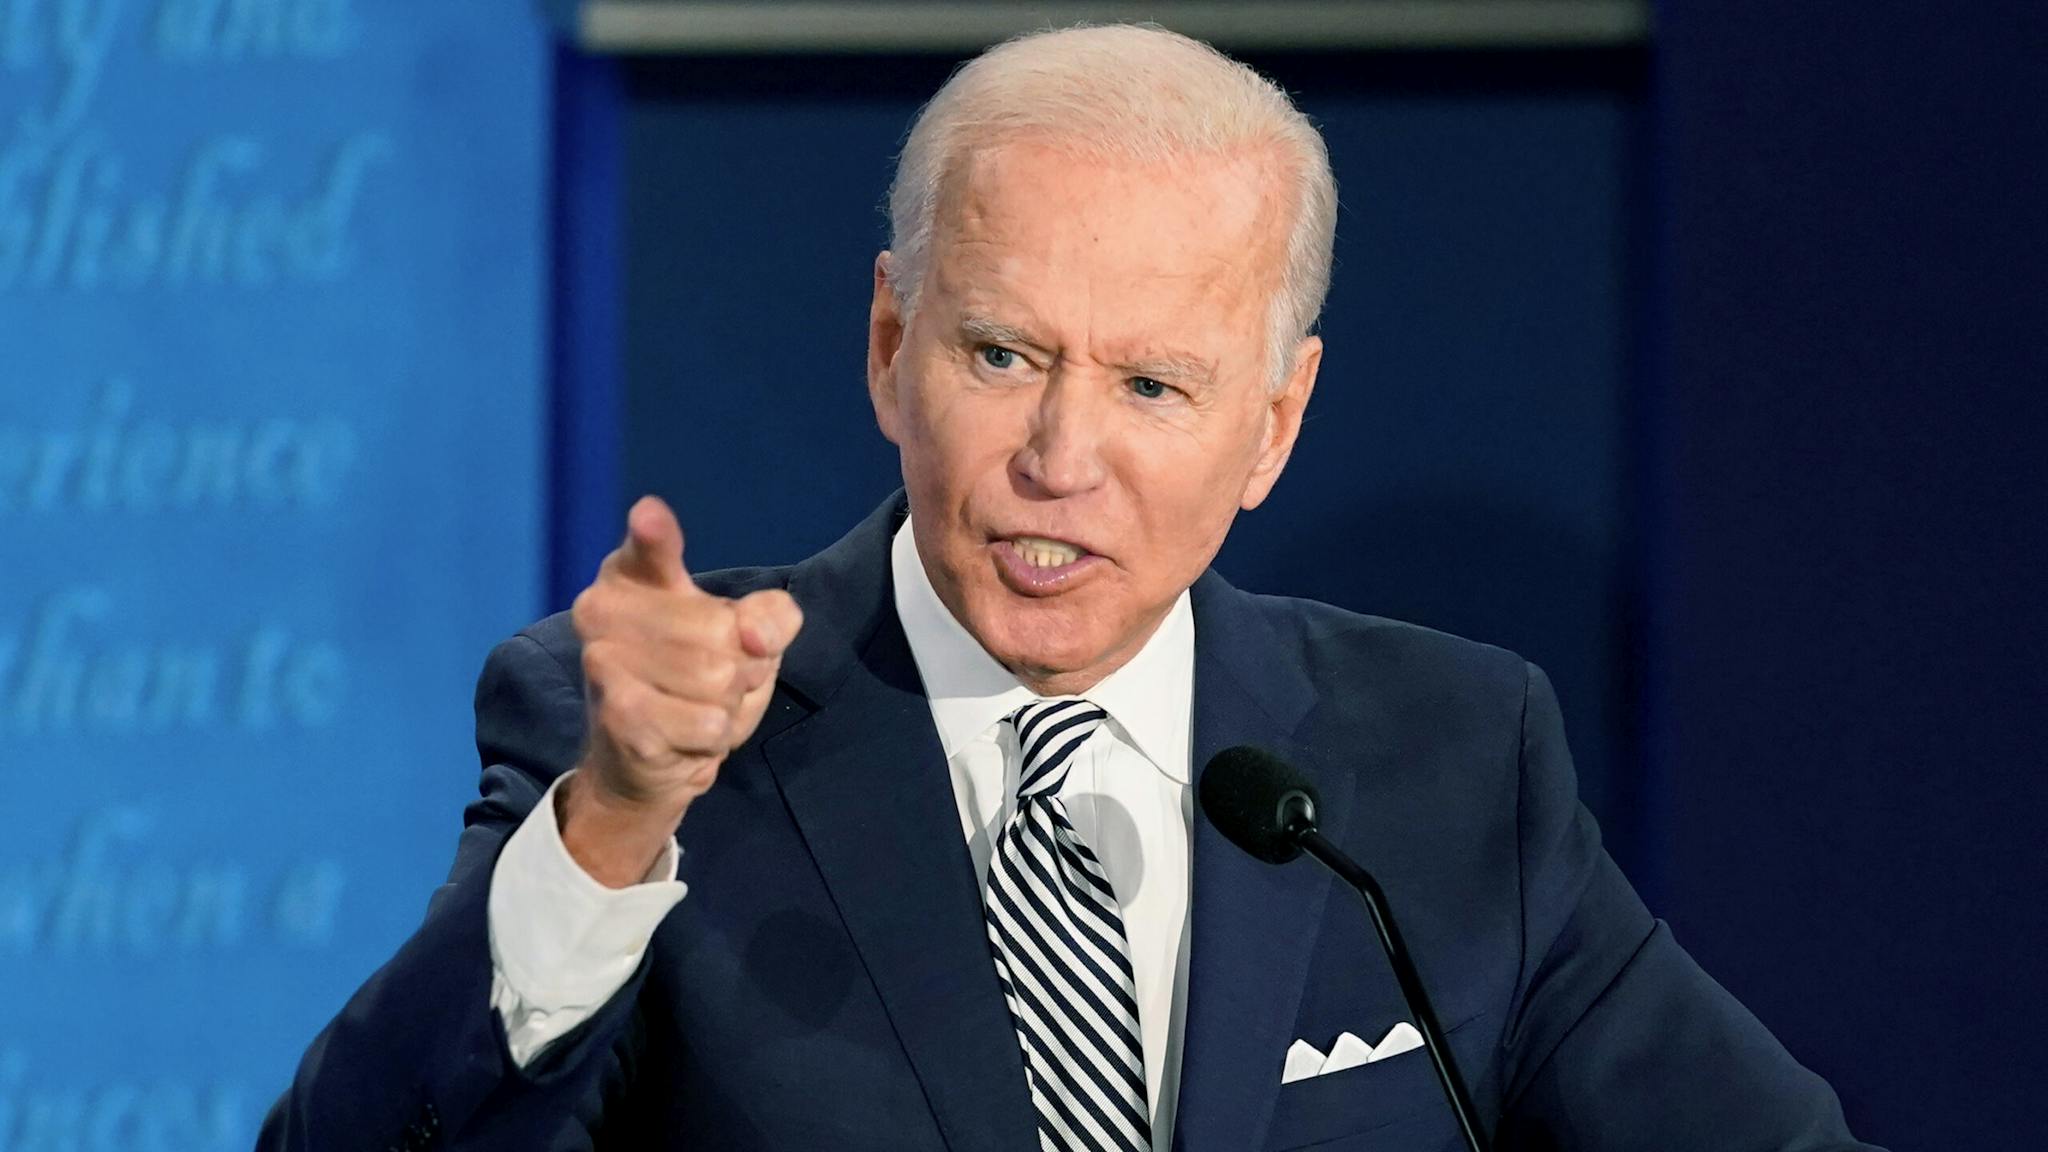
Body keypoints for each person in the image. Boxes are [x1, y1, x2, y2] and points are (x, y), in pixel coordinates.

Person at [262, 23, 1880, 1152]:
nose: (1060, 454)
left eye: (1153, 389)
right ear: (891, 344)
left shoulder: (1449, 760)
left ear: (1275, 422)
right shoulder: (642, 735)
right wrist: (611, 834)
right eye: (1001, 353)